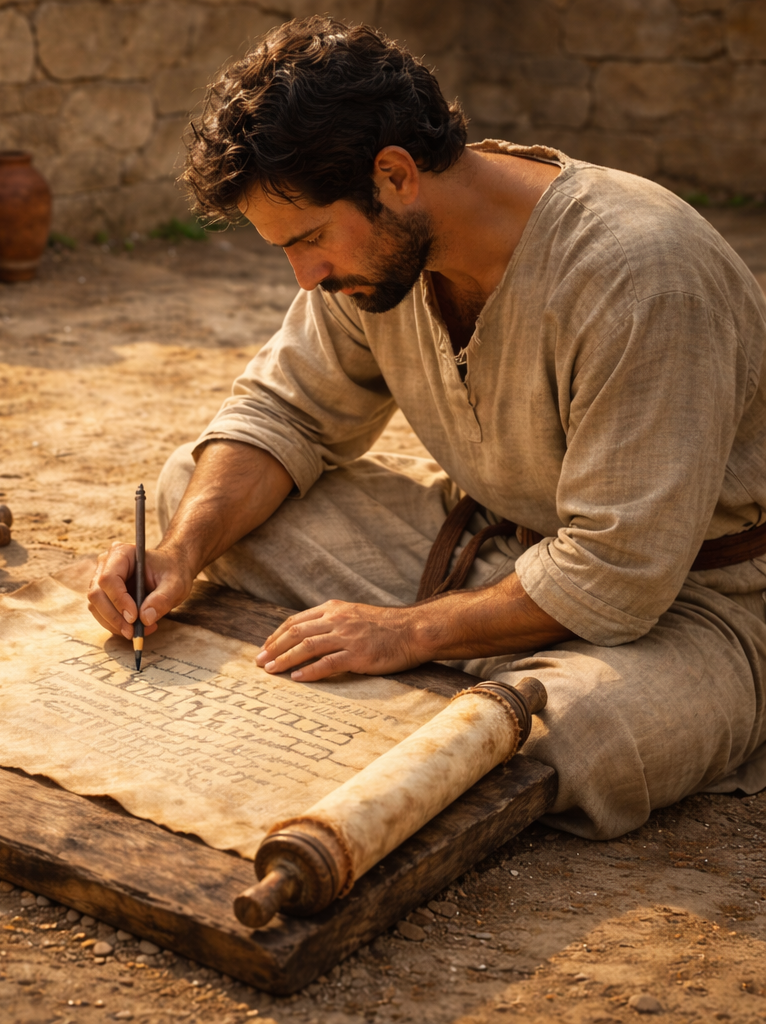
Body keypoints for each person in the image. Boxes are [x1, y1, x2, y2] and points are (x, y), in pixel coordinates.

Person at [89, 17, 766, 839]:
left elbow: (617, 575)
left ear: (396, 175)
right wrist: (180, 553)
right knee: (192, 496)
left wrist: (403, 634)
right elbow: (282, 411)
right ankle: (489, 673)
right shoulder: (375, 262)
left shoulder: (640, 271)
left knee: (586, 735)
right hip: (492, 552)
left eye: (308, 240)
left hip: (696, 607)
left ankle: (500, 679)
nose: (306, 277)